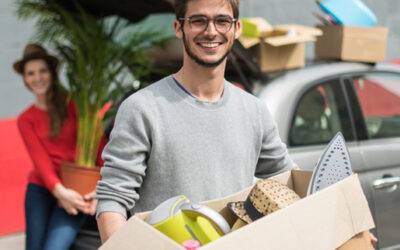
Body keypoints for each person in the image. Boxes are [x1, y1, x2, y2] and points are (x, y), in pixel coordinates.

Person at [95, 0, 296, 243]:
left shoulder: (254, 110)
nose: (211, 31)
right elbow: (112, 200)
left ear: (237, 28)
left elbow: (288, 180)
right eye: (198, 20)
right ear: (179, 28)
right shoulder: (142, 109)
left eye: (222, 21)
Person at [14, 44, 98, 250]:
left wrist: (99, 188)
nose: (38, 77)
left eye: (42, 71)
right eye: (31, 73)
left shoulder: (76, 104)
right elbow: (40, 161)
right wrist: (60, 192)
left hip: (76, 187)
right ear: (25, 79)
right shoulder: (26, 119)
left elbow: (99, 147)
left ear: (51, 73)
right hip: (42, 188)